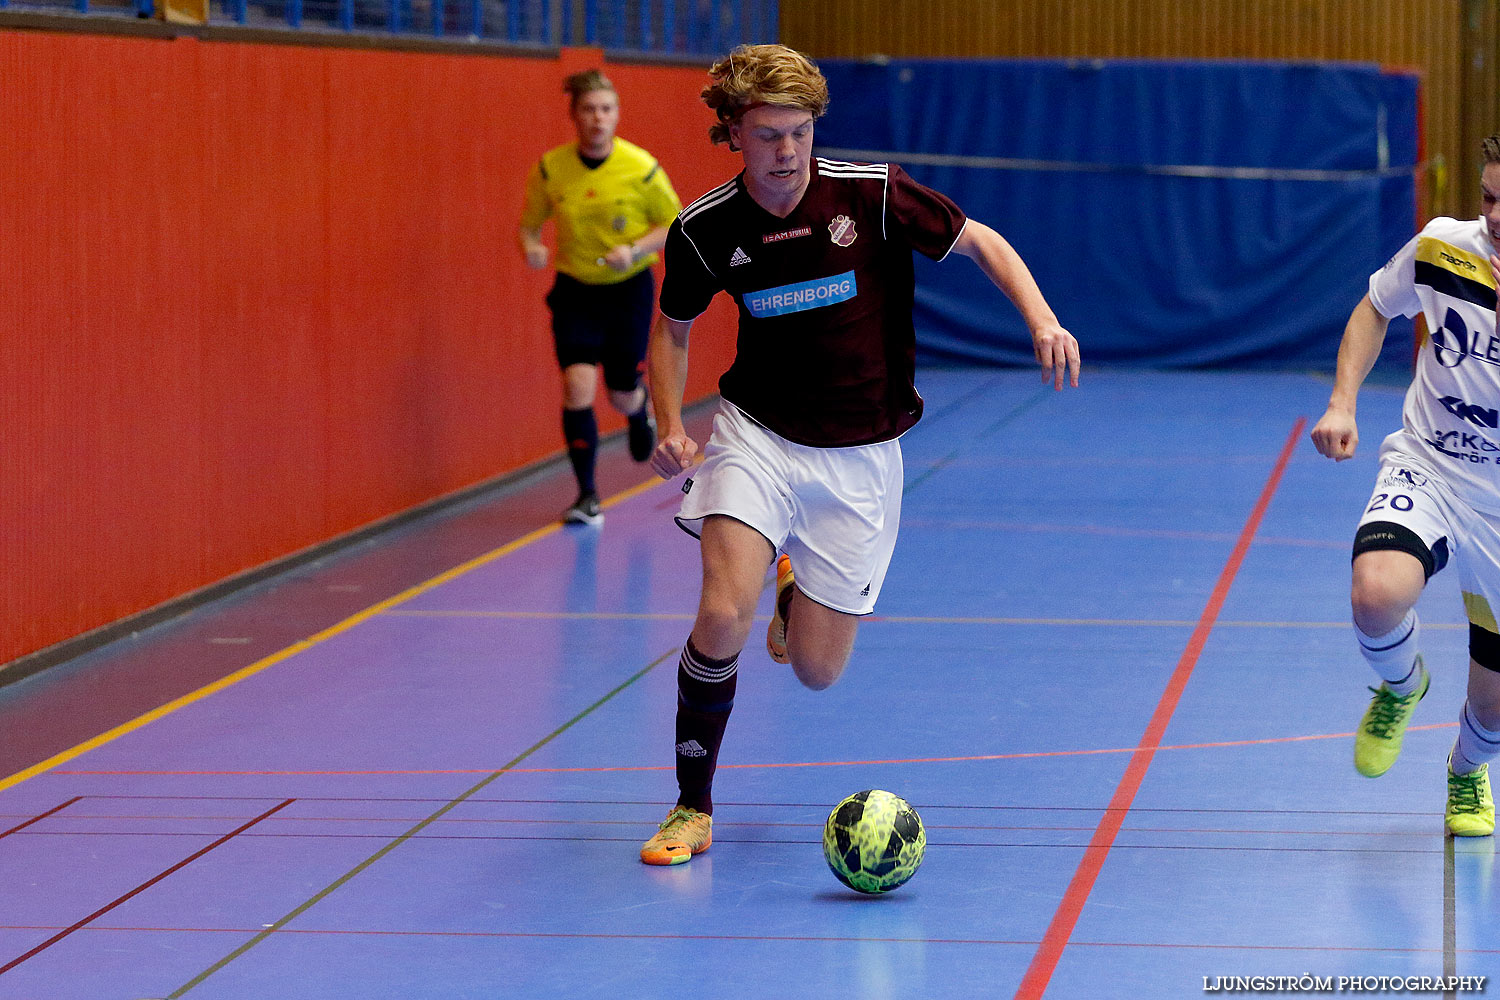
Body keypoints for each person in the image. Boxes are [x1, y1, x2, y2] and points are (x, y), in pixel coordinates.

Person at [637, 44, 1081, 865]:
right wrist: (670, 421)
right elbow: (673, 330)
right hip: (758, 434)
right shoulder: (706, 229)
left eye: (800, 132)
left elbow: (983, 242)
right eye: (768, 134)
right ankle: (690, 808)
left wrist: (1043, 319)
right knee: (720, 616)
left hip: (861, 457)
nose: (786, 153)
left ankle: (794, 590)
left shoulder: (872, 195)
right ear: (733, 131)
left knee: (815, 672)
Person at [1310, 134, 1500, 837]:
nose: (1496, 213)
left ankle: (1465, 770)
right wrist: (1342, 402)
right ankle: (1402, 684)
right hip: (1431, 463)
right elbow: (1373, 308)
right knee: (1375, 593)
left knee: (1493, 712)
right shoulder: (1443, 248)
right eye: (1489, 196)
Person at [519, 69, 683, 526]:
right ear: (574, 115)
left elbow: (674, 225)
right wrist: (532, 247)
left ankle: (639, 412)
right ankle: (587, 496)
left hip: (627, 290)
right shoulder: (551, 168)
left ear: (616, 115)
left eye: (606, 109)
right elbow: (530, 224)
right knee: (577, 387)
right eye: (589, 109)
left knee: (621, 394)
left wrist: (633, 249)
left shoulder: (641, 167)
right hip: (575, 290)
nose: (598, 118)